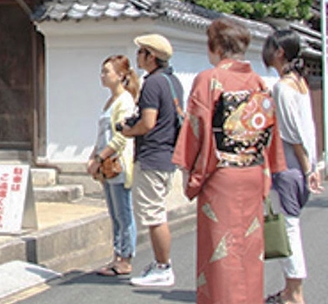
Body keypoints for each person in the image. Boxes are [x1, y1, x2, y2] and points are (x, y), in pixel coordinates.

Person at [172, 18, 286, 304]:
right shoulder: (258, 81)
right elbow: (267, 131)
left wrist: (188, 169)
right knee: (247, 250)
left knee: (220, 250)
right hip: (251, 171)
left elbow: (197, 126)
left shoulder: (209, 79)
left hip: (221, 175)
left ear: (216, 47)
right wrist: (267, 168)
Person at [262, 30, 323, 304]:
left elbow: (292, 134)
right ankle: (290, 289)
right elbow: (308, 129)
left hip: (288, 167)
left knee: (287, 231)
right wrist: (312, 166)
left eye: (270, 47)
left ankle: (294, 292)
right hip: (300, 167)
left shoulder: (282, 88)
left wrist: (308, 167)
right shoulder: (300, 84)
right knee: (289, 228)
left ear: (280, 53)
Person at [117, 33, 183, 287]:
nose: (138, 57)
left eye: (141, 52)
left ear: (151, 56)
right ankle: (160, 264)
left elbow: (148, 122)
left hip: (152, 156)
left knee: (154, 216)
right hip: (167, 155)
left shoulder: (153, 84)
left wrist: (127, 131)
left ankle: (163, 266)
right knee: (156, 213)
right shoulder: (172, 81)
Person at [87, 55, 140, 276]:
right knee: (114, 212)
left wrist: (100, 158)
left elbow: (121, 137)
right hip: (106, 163)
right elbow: (102, 134)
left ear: (120, 76)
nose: (103, 75)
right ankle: (117, 256)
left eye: (107, 71)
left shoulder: (125, 101)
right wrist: (93, 156)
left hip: (117, 164)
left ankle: (125, 257)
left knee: (123, 212)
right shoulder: (111, 101)